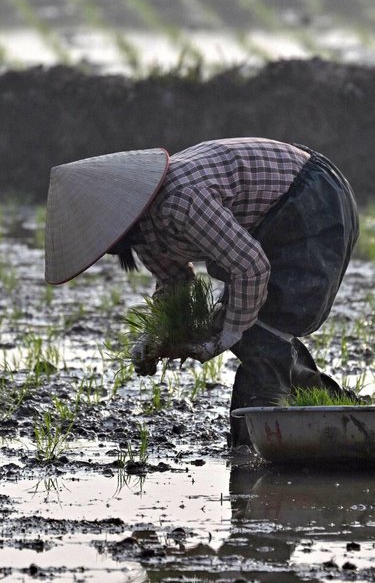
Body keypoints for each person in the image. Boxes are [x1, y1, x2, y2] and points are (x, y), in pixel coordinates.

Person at [43, 137, 359, 447]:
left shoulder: (180, 201)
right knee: (252, 326)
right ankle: (335, 409)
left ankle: (255, 449)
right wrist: (154, 340)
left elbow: (251, 267)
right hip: (278, 210)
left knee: (260, 330)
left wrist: (227, 336)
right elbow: (176, 284)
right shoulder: (144, 231)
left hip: (310, 196)